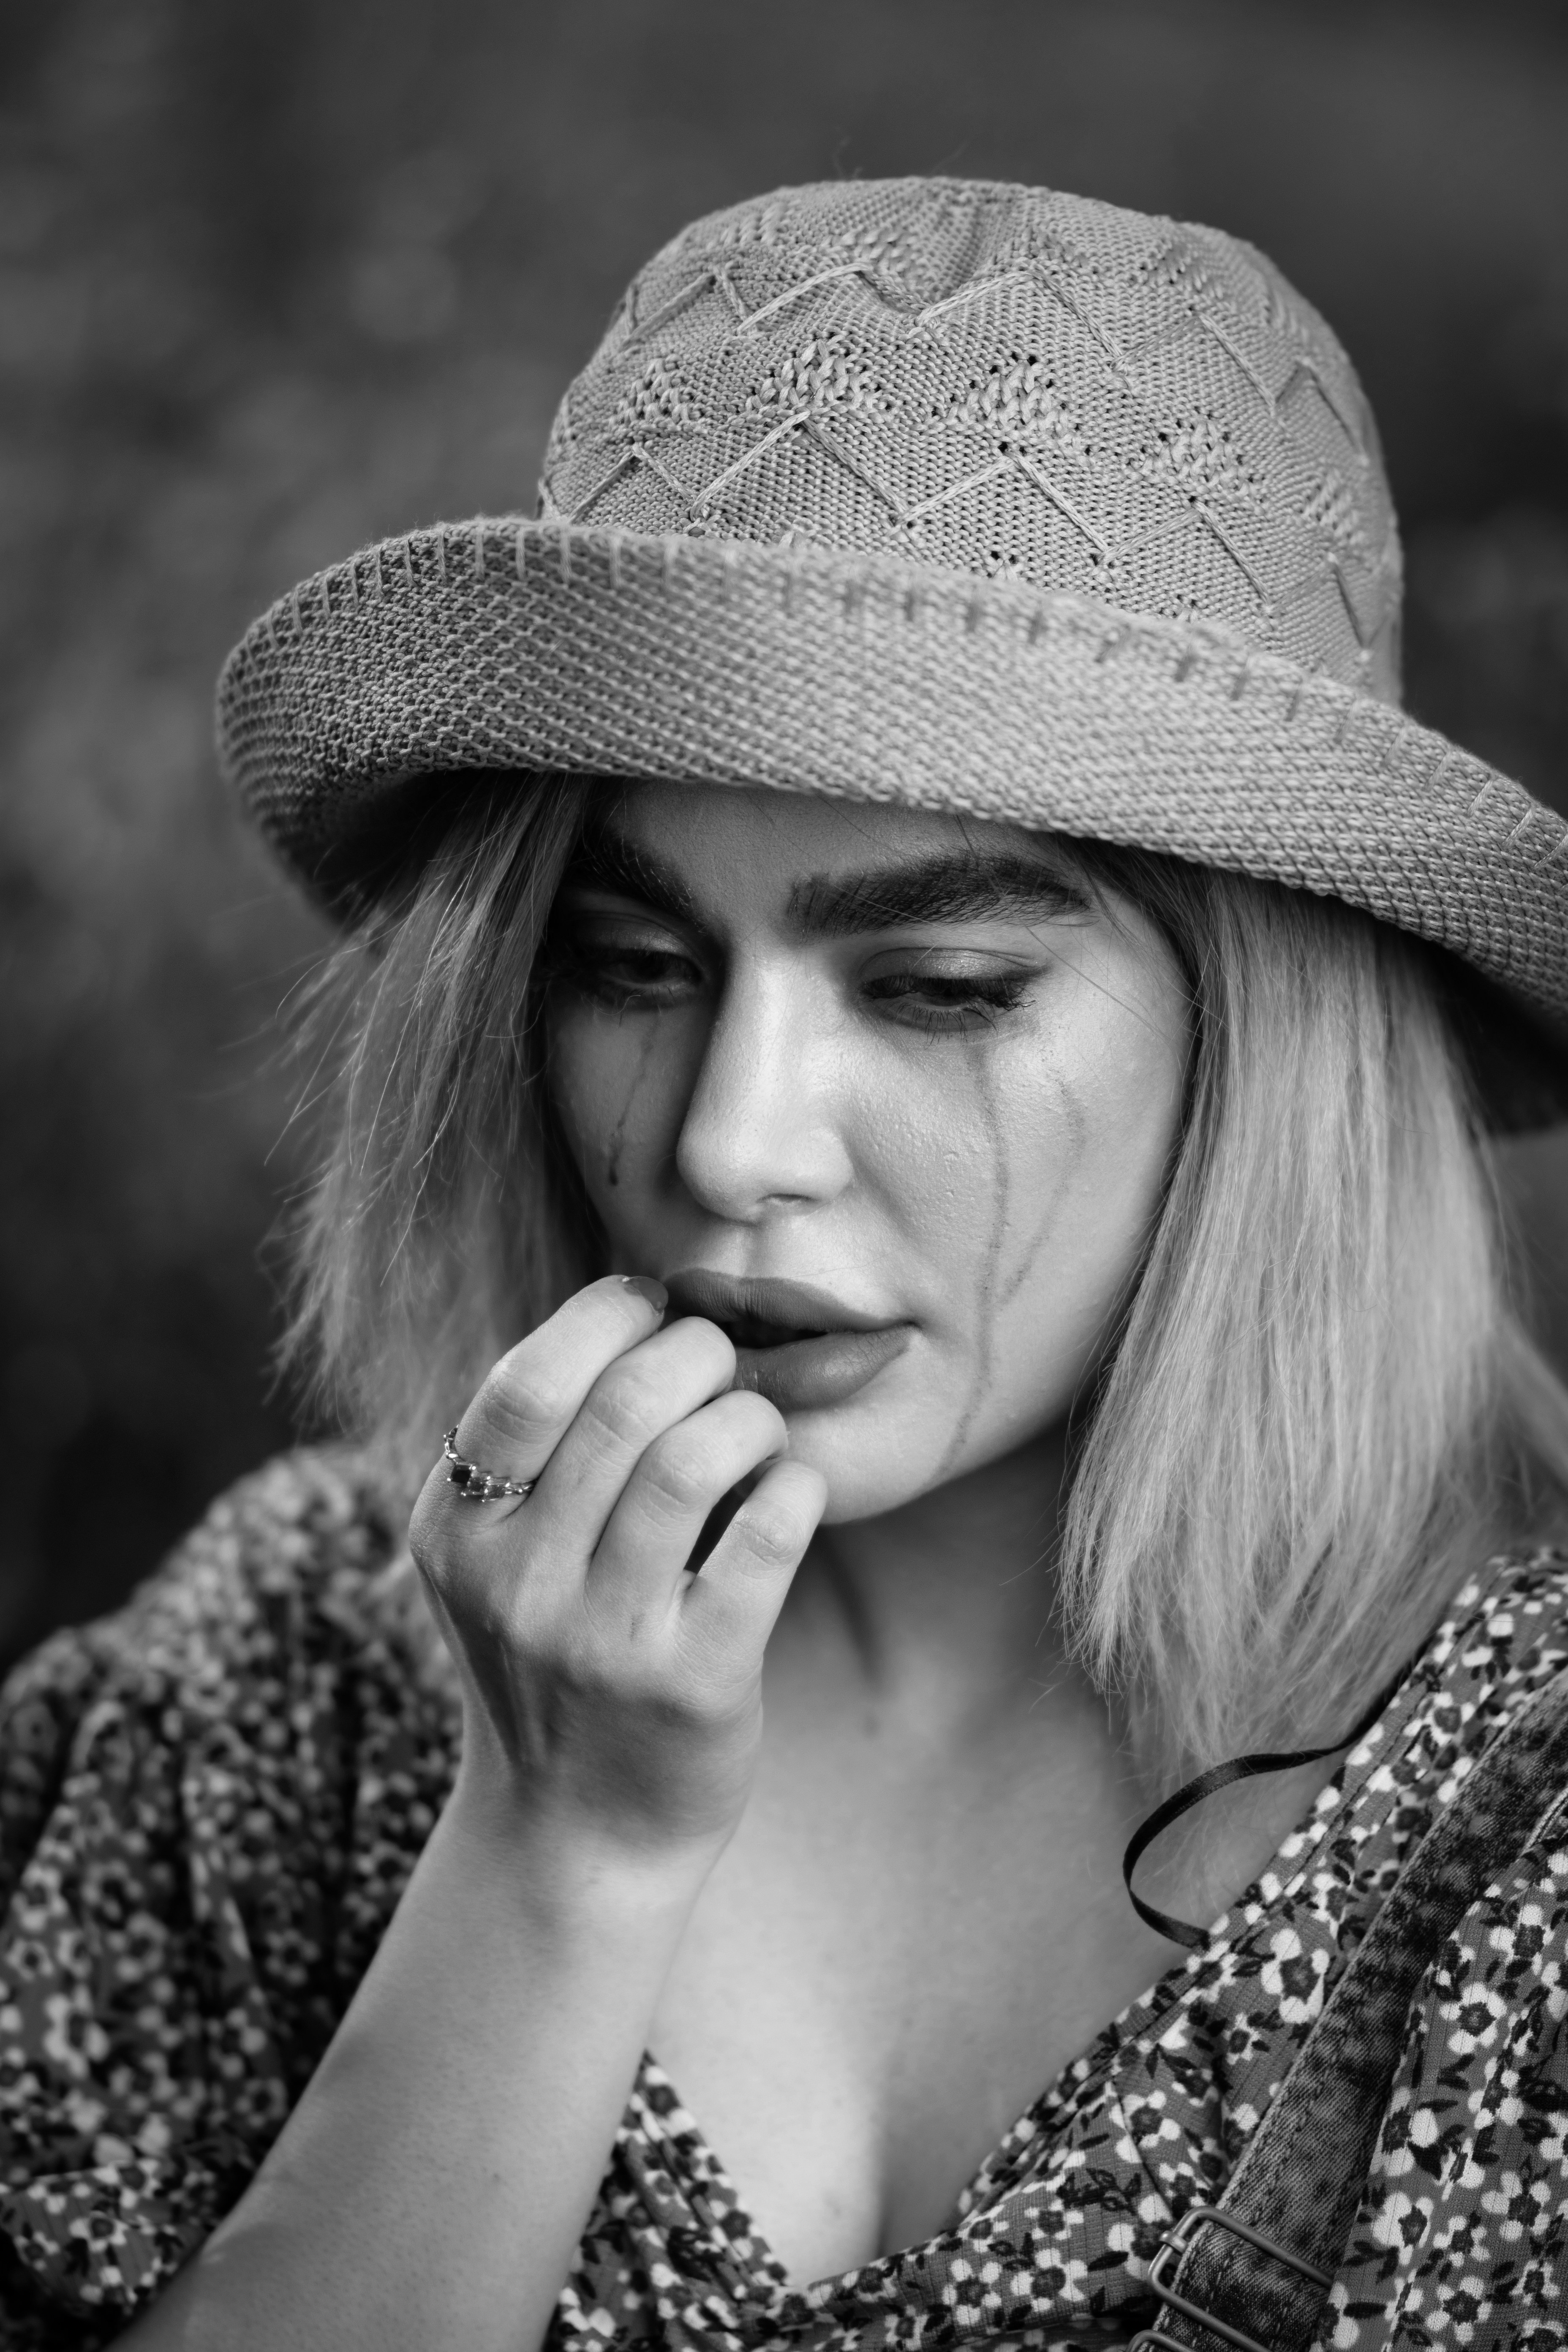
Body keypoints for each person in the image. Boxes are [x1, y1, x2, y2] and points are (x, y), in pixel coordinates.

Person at [1, 177, 1565, 2352]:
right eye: (630, 964)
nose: (728, 1142)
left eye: (932, 987)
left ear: (1265, 1045)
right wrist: (551, 1859)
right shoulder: (289, 1672)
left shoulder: (1519, 1826)